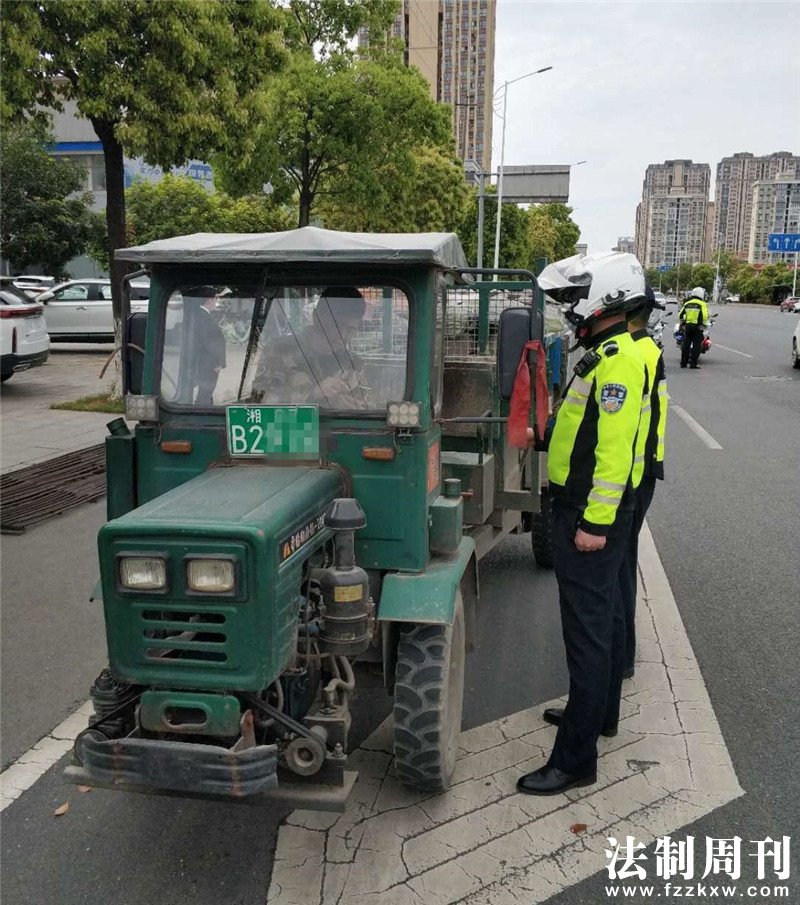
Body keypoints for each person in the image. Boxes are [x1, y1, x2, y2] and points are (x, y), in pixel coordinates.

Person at [516, 251, 649, 796]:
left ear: (607, 299)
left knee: (587, 633)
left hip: (592, 511)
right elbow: (584, 428)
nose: (571, 312)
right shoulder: (609, 349)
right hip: (591, 503)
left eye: (576, 300)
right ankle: (597, 717)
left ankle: (576, 758)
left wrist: (595, 522)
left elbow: (614, 453)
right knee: (608, 617)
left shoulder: (616, 359)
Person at [619, 285, 668, 678]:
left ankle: (619, 660)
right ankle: (620, 658)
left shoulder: (637, 352)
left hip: (635, 472)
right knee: (621, 565)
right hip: (643, 467)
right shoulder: (646, 347)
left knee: (618, 569)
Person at [251, 287, 370, 409]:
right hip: (287, 426)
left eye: (350, 330)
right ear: (317, 317)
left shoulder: (353, 363)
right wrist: (313, 393)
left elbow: (364, 408)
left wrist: (346, 407)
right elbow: (259, 401)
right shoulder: (280, 350)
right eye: (336, 325)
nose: (342, 336)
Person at [189, 287, 226, 406]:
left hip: (205, 362)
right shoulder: (203, 317)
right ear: (209, 300)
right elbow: (209, 342)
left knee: (206, 392)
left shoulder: (200, 315)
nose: (216, 302)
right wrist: (218, 362)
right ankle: (202, 414)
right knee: (206, 391)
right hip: (208, 363)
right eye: (215, 299)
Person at [679, 287, 709, 369]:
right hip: (697, 327)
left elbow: (680, 315)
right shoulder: (702, 304)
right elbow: (705, 316)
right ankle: (693, 364)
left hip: (688, 326)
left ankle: (683, 363)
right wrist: (704, 325)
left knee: (686, 345)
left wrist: (684, 323)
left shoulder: (687, 303)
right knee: (697, 346)